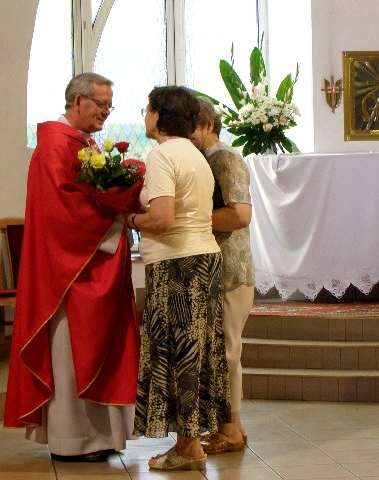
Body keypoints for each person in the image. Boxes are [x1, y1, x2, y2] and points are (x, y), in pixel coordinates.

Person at [4, 72, 140, 463]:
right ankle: (74, 440)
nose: (106, 112)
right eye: (101, 104)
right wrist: (118, 217)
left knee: (96, 350)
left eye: (110, 105)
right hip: (68, 275)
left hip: (88, 265)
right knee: (69, 355)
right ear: (77, 102)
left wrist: (118, 203)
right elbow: (63, 213)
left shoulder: (82, 144)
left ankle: (101, 437)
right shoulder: (54, 145)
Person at [126, 86, 231, 471]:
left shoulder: (163, 154)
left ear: (160, 115)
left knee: (178, 353)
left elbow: (162, 218)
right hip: (203, 259)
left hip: (177, 265)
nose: (144, 116)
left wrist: (128, 219)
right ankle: (190, 443)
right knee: (197, 351)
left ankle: (187, 447)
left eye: (147, 109)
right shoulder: (194, 155)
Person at [191, 97, 255, 454]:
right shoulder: (206, 158)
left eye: (191, 128)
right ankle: (232, 427)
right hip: (216, 266)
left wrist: (186, 219)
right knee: (221, 352)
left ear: (208, 125)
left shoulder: (225, 158)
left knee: (227, 352)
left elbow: (240, 215)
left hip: (231, 267)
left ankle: (231, 430)